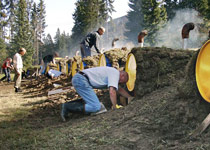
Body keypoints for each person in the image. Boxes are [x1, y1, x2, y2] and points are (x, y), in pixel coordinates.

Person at [61, 66, 133, 121]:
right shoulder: (115, 73)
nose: (122, 83)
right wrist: (114, 107)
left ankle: (69, 106)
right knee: (96, 107)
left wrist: (130, 97)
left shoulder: (113, 72)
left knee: (94, 103)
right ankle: (68, 107)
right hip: (81, 80)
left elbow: (119, 89)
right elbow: (112, 91)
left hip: (80, 78)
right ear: (122, 76)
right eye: (123, 82)